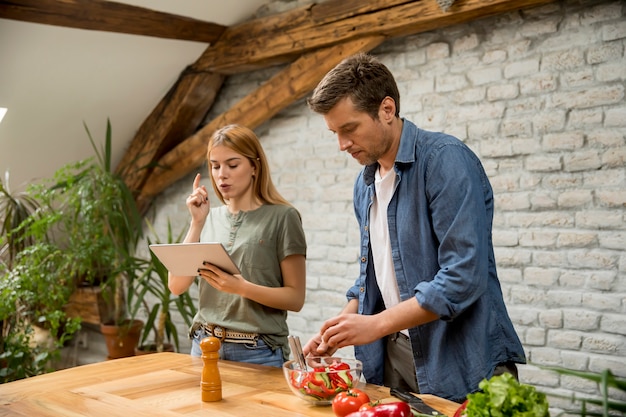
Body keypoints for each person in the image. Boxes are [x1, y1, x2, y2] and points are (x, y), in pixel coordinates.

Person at [302, 53, 526, 402]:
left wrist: (374, 324)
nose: (342, 145)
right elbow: (376, 277)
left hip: (461, 358)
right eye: (334, 132)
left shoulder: (444, 160)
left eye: (349, 129)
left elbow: (462, 277)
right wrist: (340, 327)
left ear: (387, 109)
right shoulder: (365, 185)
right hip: (396, 359)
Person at [168, 124, 307, 367]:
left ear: (255, 166)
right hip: (203, 346)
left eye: (232, 165)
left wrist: (241, 288)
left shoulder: (284, 217)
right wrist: (196, 223)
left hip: (258, 352)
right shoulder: (207, 217)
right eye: (215, 165)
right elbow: (176, 285)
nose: (221, 174)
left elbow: (295, 298)